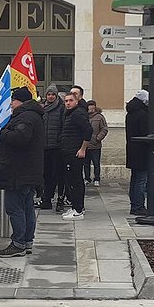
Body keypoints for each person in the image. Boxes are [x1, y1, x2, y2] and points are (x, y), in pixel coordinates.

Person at [0, 87, 45, 257]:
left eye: (12, 101)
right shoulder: (33, 115)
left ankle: (18, 244)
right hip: (28, 171)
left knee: (15, 208)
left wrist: (4, 131)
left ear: (19, 101)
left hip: (18, 172)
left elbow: (20, 138)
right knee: (27, 207)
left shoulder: (26, 117)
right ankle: (27, 241)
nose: (11, 104)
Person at [59, 90, 93, 220]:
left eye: (70, 100)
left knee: (76, 181)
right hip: (68, 151)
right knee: (72, 180)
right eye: (66, 101)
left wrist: (83, 148)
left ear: (77, 101)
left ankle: (78, 209)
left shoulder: (78, 113)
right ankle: (75, 207)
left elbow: (88, 130)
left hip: (75, 152)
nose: (68, 103)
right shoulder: (69, 114)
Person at [124, 90, 150, 215]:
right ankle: (138, 206)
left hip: (133, 149)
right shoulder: (142, 114)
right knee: (141, 180)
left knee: (135, 179)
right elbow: (146, 132)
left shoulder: (131, 113)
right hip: (142, 150)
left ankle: (134, 204)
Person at [41, 85, 65, 211]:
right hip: (44, 147)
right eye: (49, 94)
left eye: (53, 95)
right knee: (46, 174)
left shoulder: (61, 109)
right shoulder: (42, 109)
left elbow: (63, 126)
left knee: (57, 174)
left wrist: (59, 139)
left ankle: (60, 199)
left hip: (56, 147)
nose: (50, 96)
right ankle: (46, 198)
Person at [85, 100, 108, 187]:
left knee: (96, 163)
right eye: (89, 106)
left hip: (95, 145)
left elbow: (104, 129)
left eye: (92, 106)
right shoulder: (84, 116)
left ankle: (97, 179)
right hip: (86, 145)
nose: (90, 108)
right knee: (86, 164)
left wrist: (98, 138)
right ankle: (87, 178)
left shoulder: (99, 117)